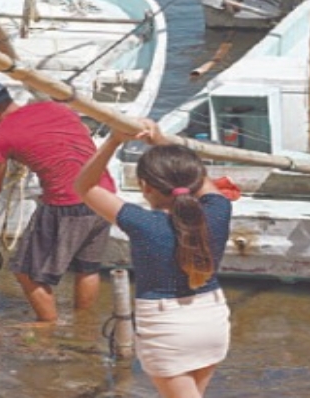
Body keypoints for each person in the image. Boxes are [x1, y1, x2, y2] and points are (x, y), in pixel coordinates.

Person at [75, 121, 232, 398]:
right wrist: (161, 142)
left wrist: (113, 142)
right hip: (211, 318)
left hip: (166, 327)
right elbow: (200, 180)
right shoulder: (218, 211)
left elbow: (84, 186)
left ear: (144, 187)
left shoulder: (143, 223)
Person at [0, 80, 116, 323]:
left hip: (67, 204)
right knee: (87, 267)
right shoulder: (56, 108)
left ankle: (48, 327)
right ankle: (83, 326)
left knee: (27, 273)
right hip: (105, 196)